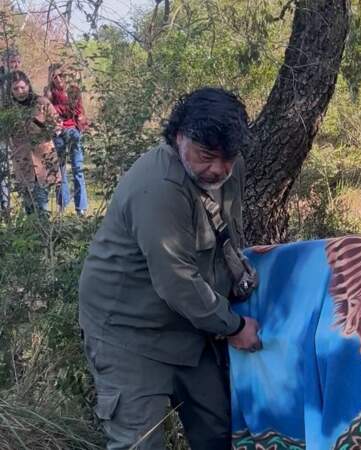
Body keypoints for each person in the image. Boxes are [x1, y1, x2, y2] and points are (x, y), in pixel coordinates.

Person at [79, 87, 262, 450]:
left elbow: (224, 239)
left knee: (220, 431)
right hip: (128, 333)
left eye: (229, 157)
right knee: (139, 443)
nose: (219, 170)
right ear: (179, 137)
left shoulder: (229, 168)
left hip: (190, 326)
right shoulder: (159, 187)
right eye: (207, 156)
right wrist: (234, 327)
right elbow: (176, 280)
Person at [6, 70, 61, 215]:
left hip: (43, 160)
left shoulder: (41, 103)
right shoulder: (9, 110)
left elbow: (57, 125)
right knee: (29, 207)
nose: (20, 92)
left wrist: (44, 126)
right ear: (10, 91)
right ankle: (33, 235)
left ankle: (45, 236)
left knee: (42, 204)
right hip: (22, 161)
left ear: (28, 86)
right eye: (16, 89)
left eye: (23, 87)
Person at [47, 63, 89, 216]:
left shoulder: (73, 90)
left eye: (61, 76)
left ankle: (81, 208)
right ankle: (63, 205)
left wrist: (78, 125)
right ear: (51, 78)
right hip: (58, 133)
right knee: (60, 169)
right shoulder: (49, 93)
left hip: (73, 131)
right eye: (55, 77)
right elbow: (48, 113)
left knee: (78, 169)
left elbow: (79, 111)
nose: (58, 79)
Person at [0, 47, 21, 212]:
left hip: (16, 131)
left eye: (18, 62)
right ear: (4, 62)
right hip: (3, 129)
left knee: (11, 168)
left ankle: (9, 206)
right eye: (13, 62)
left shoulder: (20, 79)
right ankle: (5, 206)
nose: (16, 65)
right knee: (3, 167)